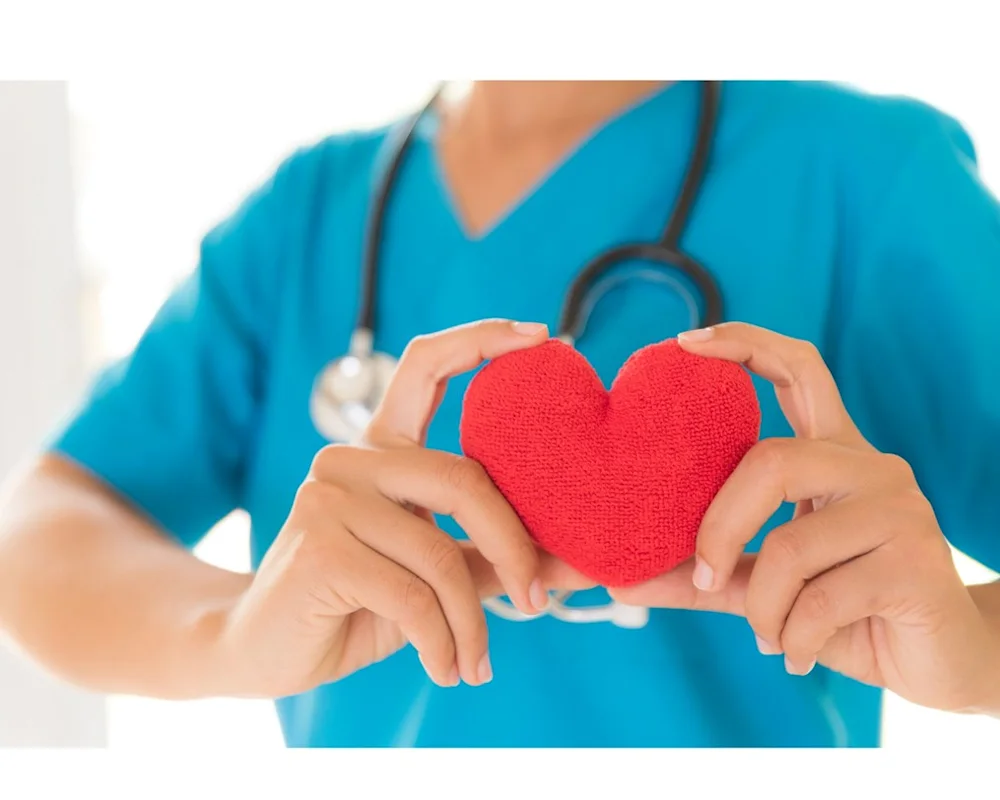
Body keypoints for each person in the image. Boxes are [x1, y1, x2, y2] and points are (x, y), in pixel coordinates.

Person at [0, 80, 998, 748]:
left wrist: (979, 656)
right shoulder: (307, 212)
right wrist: (229, 632)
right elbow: (48, 529)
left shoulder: (867, 177)